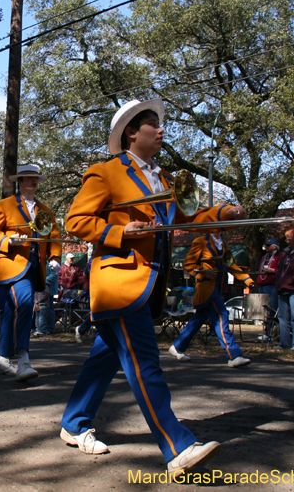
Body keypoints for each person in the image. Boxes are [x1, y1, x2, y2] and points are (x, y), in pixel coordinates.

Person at [60, 99, 246, 473]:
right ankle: (177, 446)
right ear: (131, 132)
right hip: (120, 281)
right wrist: (116, 231)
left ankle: (73, 422)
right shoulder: (105, 172)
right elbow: (75, 221)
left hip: (147, 283)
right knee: (147, 363)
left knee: (106, 357)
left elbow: (189, 217)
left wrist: (226, 212)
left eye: (161, 125)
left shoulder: (164, 180)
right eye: (152, 124)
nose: (161, 130)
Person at [0, 164, 62, 381]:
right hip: (9, 264)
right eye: (28, 178)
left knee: (11, 312)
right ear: (19, 182)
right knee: (25, 304)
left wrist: (55, 258)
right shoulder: (3, 205)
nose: (33, 181)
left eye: (36, 178)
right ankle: (24, 360)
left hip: (35, 268)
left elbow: (53, 237)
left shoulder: (45, 210)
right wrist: (7, 241)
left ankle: (2, 360)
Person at [168, 232, 255, 367]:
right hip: (206, 288)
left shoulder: (223, 244)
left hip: (216, 288)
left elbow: (231, 265)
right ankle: (234, 355)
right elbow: (188, 264)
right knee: (222, 317)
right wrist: (202, 273)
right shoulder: (200, 241)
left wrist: (247, 279)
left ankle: (177, 346)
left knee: (198, 320)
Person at [256, 238, 280, 311]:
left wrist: (273, 270)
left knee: (271, 306)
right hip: (262, 285)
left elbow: (283, 270)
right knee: (262, 307)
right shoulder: (264, 257)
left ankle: (272, 321)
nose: (266, 247)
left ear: (274, 247)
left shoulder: (280, 256)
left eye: (268, 246)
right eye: (266, 245)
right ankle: (264, 322)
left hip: (272, 286)